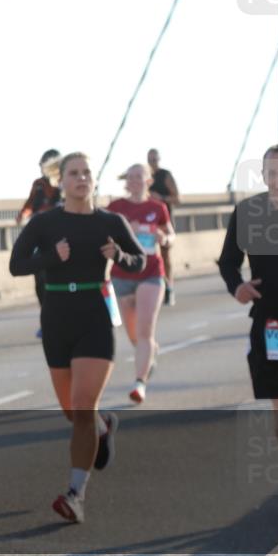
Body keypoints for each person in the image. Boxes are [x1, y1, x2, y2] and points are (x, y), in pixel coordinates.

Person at [10, 152, 145, 523]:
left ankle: (75, 495)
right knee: (74, 412)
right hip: (56, 317)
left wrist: (119, 254)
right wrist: (52, 256)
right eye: (74, 173)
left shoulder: (111, 221)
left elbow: (141, 260)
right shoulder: (44, 222)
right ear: (62, 181)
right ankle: (102, 426)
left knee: (83, 405)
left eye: (87, 173)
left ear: (94, 180)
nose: (81, 178)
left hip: (95, 315)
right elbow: (16, 265)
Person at [218, 143, 278, 517]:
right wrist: (236, 286)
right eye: (273, 173)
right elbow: (227, 263)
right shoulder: (249, 213)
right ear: (264, 176)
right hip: (270, 325)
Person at [107, 164, 175, 403]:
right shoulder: (116, 208)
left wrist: (164, 237)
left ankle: (140, 383)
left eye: (140, 176)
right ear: (126, 181)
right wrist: (125, 232)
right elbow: (103, 236)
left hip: (151, 272)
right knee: (134, 335)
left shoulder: (157, 208)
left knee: (145, 331)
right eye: (131, 177)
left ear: (148, 181)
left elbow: (170, 235)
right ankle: (149, 354)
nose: (135, 180)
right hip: (122, 274)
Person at [16, 149, 63, 338]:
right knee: (39, 280)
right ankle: (46, 320)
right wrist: (23, 214)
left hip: (58, 237)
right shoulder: (38, 185)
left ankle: (60, 319)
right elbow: (29, 204)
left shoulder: (63, 185)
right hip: (39, 237)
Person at [147, 149, 180, 305]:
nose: (152, 162)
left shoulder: (165, 175)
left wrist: (161, 198)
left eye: (155, 159)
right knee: (149, 255)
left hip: (164, 221)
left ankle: (170, 288)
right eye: (150, 159)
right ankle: (154, 288)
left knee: (165, 256)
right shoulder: (145, 176)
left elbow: (177, 198)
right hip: (147, 221)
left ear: (159, 159)